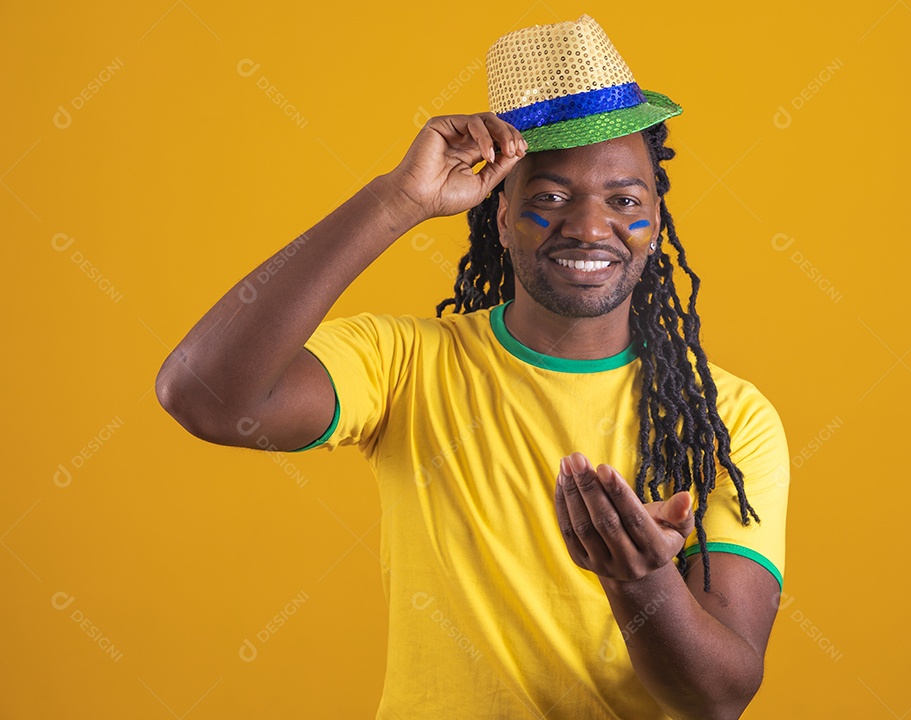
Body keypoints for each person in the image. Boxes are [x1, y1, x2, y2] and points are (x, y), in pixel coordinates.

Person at [156, 14, 790, 720]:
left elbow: (719, 697)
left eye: (624, 201)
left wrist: (641, 582)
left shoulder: (728, 419)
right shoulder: (402, 364)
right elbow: (201, 394)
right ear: (499, 215)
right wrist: (397, 200)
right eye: (549, 198)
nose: (589, 227)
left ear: (656, 221)